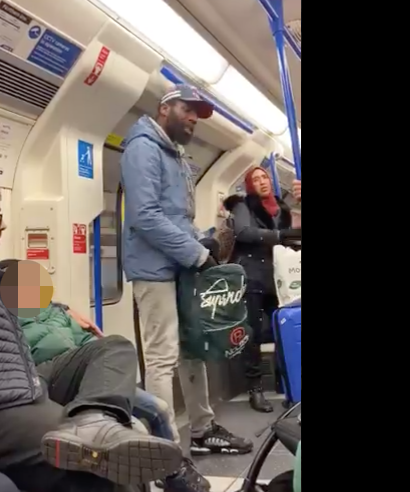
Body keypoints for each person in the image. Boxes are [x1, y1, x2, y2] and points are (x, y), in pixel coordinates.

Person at [0, 180, 183, 492]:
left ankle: (94, 418)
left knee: (114, 347)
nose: (3, 225)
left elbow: (29, 299)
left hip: (28, 381)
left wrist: (61, 308)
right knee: (103, 466)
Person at [0, 261, 210, 492]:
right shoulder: (7, 321)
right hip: (59, 382)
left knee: (160, 409)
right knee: (135, 428)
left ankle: (175, 471)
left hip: (91, 373)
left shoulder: (55, 311)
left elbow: (88, 340)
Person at [120, 84, 254, 456]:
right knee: (162, 356)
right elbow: (145, 217)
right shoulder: (143, 148)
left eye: (198, 112)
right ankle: (167, 450)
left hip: (178, 265)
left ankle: (202, 428)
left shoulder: (175, 155)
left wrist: (204, 238)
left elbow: (177, 218)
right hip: (153, 270)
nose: (194, 118)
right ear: (165, 108)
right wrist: (196, 253)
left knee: (192, 349)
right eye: (187, 109)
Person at [223, 167, 301, 413]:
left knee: (282, 330)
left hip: (278, 278)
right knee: (253, 334)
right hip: (253, 276)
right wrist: (280, 235)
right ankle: (255, 389)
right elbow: (244, 232)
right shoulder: (243, 207)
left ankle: (285, 380)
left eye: (264, 177)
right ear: (250, 185)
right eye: (255, 179)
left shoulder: (282, 209)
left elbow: (288, 239)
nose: (261, 181)